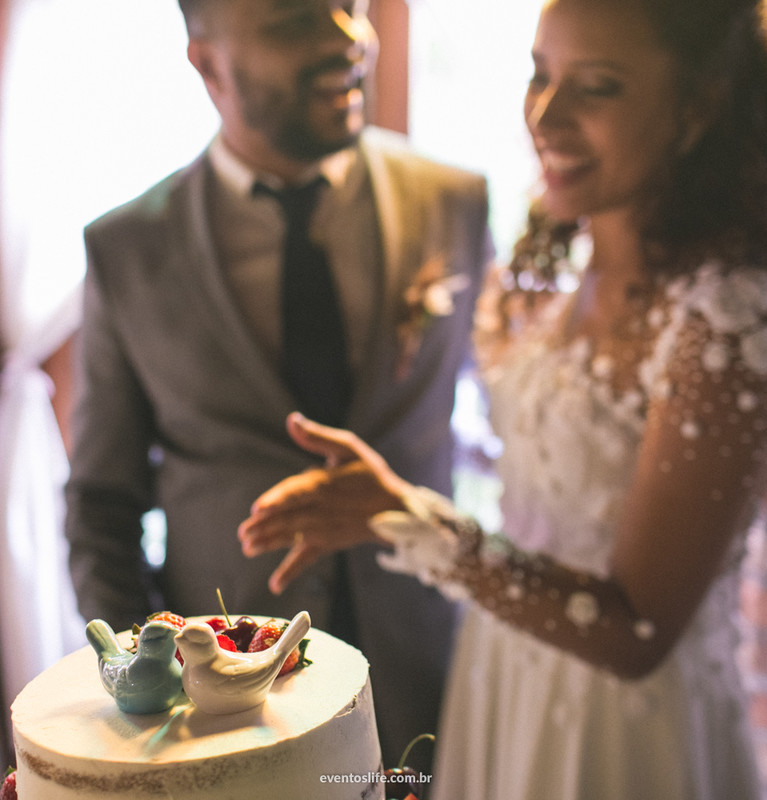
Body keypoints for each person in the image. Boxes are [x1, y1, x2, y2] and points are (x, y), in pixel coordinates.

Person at [239, 0, 767, 796]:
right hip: (502, 672)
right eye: (540, 74)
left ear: (698, 105)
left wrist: (405, 516)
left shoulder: (730, 320)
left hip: (625, 718)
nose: (546, 114)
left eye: (597, 87)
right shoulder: (549, 270)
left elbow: (639, 631)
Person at [64, 0, 493, 768]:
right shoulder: (127, 249)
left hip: (429, 670)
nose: (352, 39)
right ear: (207, 61)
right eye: (297, 18)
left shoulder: (453, 202)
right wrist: (148, 694)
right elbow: (103, 503)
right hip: (229, 710)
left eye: (351, 6)